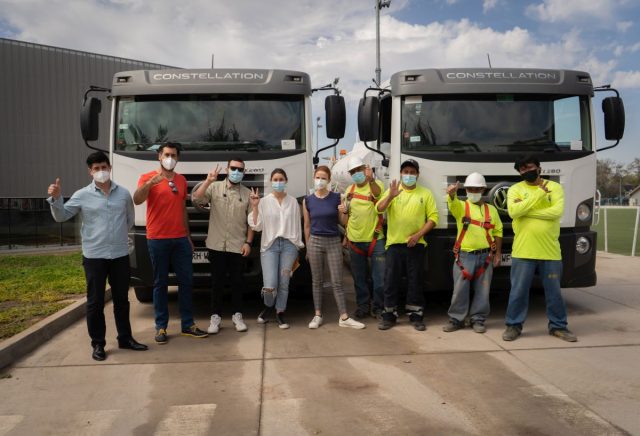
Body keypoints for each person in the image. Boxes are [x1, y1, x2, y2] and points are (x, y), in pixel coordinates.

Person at [47, 151, 147, 361]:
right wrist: (56, 199)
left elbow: (128, 219)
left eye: (104, 167)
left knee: (122, 300)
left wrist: (116, 236)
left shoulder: (123, 194)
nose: (101, 172)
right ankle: (98, 344)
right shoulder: (82, 195)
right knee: (95, 302)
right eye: (96, 169)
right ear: (90, 172)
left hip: (119, 254)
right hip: (94, 256)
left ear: (110, 168)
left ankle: (125, 338)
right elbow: (62, 216)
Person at [133, 142, 207, 344]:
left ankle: (188, 325)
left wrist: (188, 237)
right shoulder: (147, 177)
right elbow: (137, 199)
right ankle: (161, 327)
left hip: (180, 240)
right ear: (159, 156)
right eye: (166, 154)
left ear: (178, 158)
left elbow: (183, 210)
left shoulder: (182, 181)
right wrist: (150, 184)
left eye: (173, 155)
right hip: (157, 239)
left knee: (186, 282)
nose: (170, 158)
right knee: (160, 284)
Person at [502, 155, 577, 342]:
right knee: (518, 291)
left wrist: (527, 211)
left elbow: (556, 212)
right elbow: (514, 212)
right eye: (522, 169)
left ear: (539, 168)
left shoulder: (555, 187)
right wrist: (539, 195)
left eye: (529, 167)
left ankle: (558, 326)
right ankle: (513, 325)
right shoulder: (515, 189)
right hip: (523, 251)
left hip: (550, 251)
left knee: (554, 292)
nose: (526, 171)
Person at [191, 158, 254, 334]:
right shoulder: (215, 187)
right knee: (216, 283)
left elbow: (251, 223)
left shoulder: (248, 193)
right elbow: (197, 199)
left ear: (244, 172)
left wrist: (248, 243)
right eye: (233, 168)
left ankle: (237, 316)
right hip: (216, 244)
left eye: (240, 169)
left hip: (237, 245)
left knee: (237, 283)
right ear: (227, 169)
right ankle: (215, 318)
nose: (236, 172)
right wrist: (208, 181)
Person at [376, 159, 439, 331]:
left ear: (418, 175)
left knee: (415, 281)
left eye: (412, 172)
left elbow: (433, 218)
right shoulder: (393, 191)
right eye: (406, 172)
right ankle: (389, 315)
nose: (409, 175)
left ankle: (416, 315)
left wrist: (418, 236)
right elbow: (379, 209)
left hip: (416, 245)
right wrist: (390, 196)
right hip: (394, 245)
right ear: (401, 174)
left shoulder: (425, 193)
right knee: (390, 281)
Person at [303, 166, 365, 330]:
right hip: (315, 241)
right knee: (316, 281)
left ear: (329, 180)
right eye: (318, 177)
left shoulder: (337, 198)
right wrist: (308, 246)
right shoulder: (307, 200)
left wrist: (345, 211)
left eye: (324, 178)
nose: (320, 180)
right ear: (314, 178)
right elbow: (307, 226)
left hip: (333, 242)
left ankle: (344, 317)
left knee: (337, 281)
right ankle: (317, 315)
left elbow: (343, 222)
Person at [443, 172, 503, 334]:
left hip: (486, 257)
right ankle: (456, 319)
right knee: (459, 290)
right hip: (464, 256)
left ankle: (478, 319)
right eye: (470, 189)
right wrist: (452, 194)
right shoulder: (461, 207)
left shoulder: (491, 210)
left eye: (477, 189)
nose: (473, 192)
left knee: (483, 290)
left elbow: (498, 232)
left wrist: (498, 255)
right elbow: (453, 204)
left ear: (483, 190)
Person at [248, 168, 304, 329]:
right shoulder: (264, 201)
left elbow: (296, 227)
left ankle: (280, 312)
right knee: (270, 284)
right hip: (270, 246)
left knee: (284, 282)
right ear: (271, 182)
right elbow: (256, 226)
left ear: (286, 181)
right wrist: (255, 206)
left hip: (289, 246)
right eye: (275, 179)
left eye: (281, 179)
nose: (278, 182)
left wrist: (297, 246)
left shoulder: (293, 201)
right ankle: (268, 306)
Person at [338, 156, 385, 319]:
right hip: (355, 241)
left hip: (375, 239)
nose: (356, 174)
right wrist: (343, 213)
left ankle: (378, 308)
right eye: (353, 172)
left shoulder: (376, 185)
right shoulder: (349, 191)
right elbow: (345, 220)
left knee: (379, 280)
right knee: (359, 279)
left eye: (359, 170)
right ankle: (363, 307)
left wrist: (371, 180)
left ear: (365, 169)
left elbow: (378, 195)